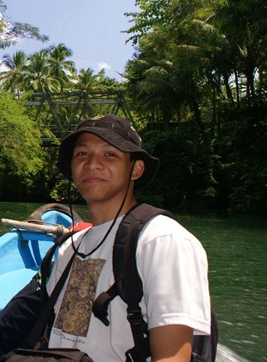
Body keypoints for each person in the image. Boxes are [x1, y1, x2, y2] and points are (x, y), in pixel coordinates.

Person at [46, 114, 211, 361]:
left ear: (136, 168)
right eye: (82, 154)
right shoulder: (68, 250)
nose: (92, 164)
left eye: (109, 154)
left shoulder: (163, 241)